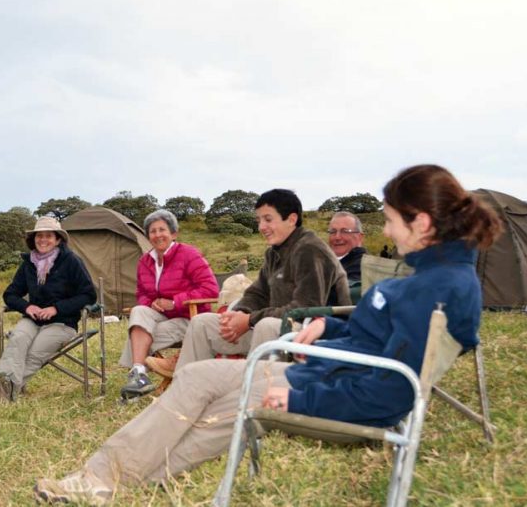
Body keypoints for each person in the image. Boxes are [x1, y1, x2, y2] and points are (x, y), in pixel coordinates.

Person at [33, 164, 502, 504]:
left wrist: (300, 400)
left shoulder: (435, 290)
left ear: (421, 223)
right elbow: (375, 339)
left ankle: (102, 480)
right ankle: (122, 478)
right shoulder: (434, 277)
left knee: (221, 401)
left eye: (392, 219)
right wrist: (329, 326)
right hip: (326, 374)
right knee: (199, 383)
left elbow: (390, 388)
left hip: (329, 394)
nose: (386, 228)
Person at [148, 189, 350, 379]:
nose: (261, 227)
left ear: (292, 219)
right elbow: (257, 293)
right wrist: (239, 314)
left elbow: (306, 308)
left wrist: (250, 320)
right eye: (259, 220)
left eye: (268, 219)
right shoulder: (274, 252)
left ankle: (251, 396)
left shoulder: (310, 250)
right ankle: (186, 392)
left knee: (266, 325)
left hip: (316, 333)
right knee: (202, 324)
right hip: (279, 325)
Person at [0, 217, 97, 406]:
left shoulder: (71, 261)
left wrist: (56, 308)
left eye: (48, 236)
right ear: (33, 239)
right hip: (33, 320)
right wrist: (27, 307)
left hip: (63, 322)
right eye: (39, 236)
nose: (43, 239)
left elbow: (88, 295)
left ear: (58, 239)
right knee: (17, 339)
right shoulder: (29, 263)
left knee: (34, 351)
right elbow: (10, 294)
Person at [117, 209, 219, 400]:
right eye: (152, 231)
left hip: (190, 318)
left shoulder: (189, 255)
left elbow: (211, 290)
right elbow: (142, 294)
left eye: (162, 230)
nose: (157, 235)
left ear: (173, 233)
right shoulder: (145, 261)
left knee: (138, 336)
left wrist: (175, 302)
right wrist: (152, 303)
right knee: (139, 311)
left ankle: (137, 377)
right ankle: (139, 373)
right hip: (161, 316)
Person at [328, 211, 367, 284]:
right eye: (333, 231)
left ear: (360, 237)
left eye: (345, 231)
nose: (337, 237)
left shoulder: (361, 267)